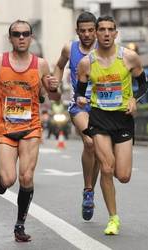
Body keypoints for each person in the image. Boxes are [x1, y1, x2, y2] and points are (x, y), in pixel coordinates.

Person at [0, 20, 59, 242]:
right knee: (9, 179)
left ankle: (19, 225)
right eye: (16, 34)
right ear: (10, 38)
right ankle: (1, 179)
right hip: (5, 128)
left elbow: (48, 93)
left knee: (26, 176)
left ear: (31, 37)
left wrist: (53, 86)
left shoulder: (41, 64)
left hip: (30, 126)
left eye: (25, 34)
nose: (21, 37)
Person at [76, 15, 148, 235]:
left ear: (116, 33)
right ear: (96, 34)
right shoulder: (86, 63)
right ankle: (113, 218)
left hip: (122, 119)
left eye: (110, 30)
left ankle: (113, 169)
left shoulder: (129, 58)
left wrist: (133, 99)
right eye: (102, 30)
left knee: (123, 175)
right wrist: (81, 99)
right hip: (99, 118)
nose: (106, 34)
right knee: (106, 168)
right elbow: (80, 92)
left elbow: (143, 84)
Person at [53, 11, 99, 221]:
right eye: (83, 31)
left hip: (102, 106)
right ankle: (88, 191)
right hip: (78, 106)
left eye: (91, 30)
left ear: (96, 31)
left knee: (99, 149)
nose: (87, 34)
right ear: (77, 31)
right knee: (90, 142)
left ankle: (90, 189)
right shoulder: (69, 48)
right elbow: (59, 66)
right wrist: (55, 84)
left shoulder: (105, 48)